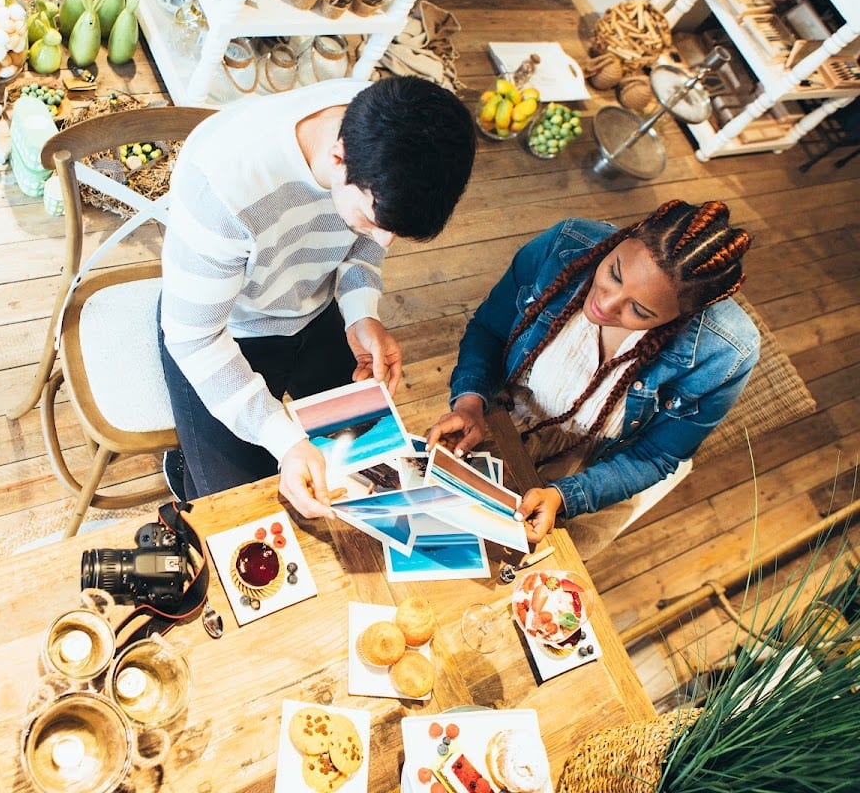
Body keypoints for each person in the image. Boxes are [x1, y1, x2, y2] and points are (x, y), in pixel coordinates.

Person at [158, 75, 477, 519]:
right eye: (370, 218)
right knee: (238, 508)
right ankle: (187, 468)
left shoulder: (388, 127)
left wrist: (361, 313)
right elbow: (192, 339)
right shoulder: (220, 185)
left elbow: (363, 248)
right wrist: (285, 440)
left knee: (371, 466)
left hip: (314, 306)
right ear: (337, 157)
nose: (382, 240)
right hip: (224, 330)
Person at [426, 200, 758, 557]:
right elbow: (489, 329)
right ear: (626, 236)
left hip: (596, 472)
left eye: (639, 311)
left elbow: (655, 455)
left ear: (683, 316)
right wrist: (471, 401)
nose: (606, 304)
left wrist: (563, 496)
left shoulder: (725, 353)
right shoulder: (565, 246)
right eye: (614, 272)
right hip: (501, 420)